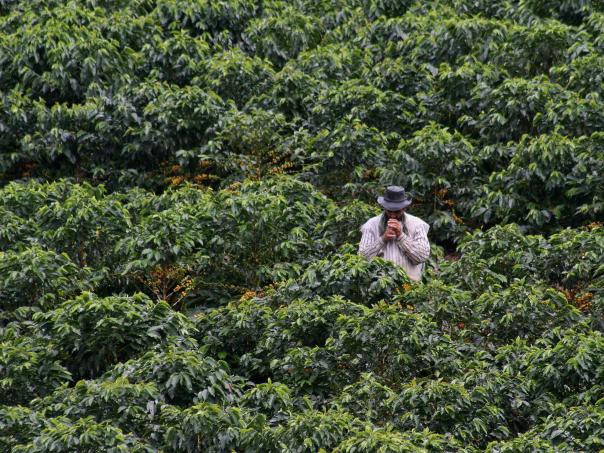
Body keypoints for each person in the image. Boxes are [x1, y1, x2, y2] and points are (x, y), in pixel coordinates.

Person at [358, 186, 430, 281]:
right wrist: (383, 239)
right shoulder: (371, 225)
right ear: (384, 207)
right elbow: (362, 257)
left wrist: (401, 236)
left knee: (407, 290)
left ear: (404, 208)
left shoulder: (417, 224)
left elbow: (422, 256)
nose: (393, 215)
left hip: (409, 285)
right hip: (381, 285)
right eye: (389, 211)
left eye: (397, 211)